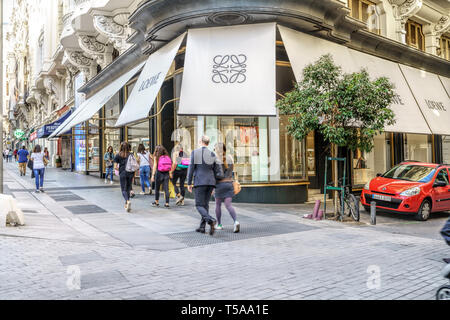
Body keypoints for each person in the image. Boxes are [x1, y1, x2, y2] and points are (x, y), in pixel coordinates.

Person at [187, 135, 224, 235]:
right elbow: (217, 170)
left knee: (199, 204)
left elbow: (191, 169)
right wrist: (214, 183)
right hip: (210, 182)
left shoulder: (196, 153)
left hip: (200, 182)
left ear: (200, 141)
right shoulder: (212, 154)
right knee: (205, 204)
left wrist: (189, 183)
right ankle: (202, 227)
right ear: (208, 143)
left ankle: (210, 220)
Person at [214, 143, 240, 233]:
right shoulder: (230, 158)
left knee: (218, 204)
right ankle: (236, 221)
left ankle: (219, 224)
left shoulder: (216, 160)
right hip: (229, 184)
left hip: (219, 185)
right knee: (228, 205)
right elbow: (232, 171)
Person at [114, 142, 135, 212]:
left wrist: (120, 169)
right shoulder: (131, 154)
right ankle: (126, 203)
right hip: (130, 173)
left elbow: (115, 167)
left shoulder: (118, 155)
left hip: (123, 173)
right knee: (128, 188)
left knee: (123, 189)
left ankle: (127, 201)